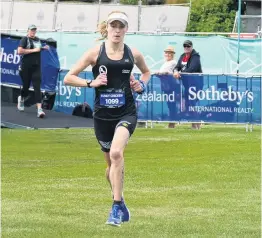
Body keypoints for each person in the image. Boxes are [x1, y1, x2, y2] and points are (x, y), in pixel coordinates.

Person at [64, 11, 151, 226]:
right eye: (114, 26)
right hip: (102, 116)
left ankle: (115, 207)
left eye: (121, 26)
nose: (117, 30)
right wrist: (90, 83)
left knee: (116, 153)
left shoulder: (133, 54)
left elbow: (147, 73)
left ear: (126, 30)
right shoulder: (95, 53)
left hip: (126, 112)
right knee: (110, 168)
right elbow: (68, 77)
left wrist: (141, 84)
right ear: (108, 28)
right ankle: (121, 203)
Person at [17, 24, 49, 118]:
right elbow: (19, 51)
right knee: (26, 88)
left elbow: (38, 49)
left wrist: (43, 48)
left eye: (34, 30)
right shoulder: (24, 39)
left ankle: (39, 110)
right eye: (31, 30)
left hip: (36, 67)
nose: (33, 32)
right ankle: (22, 98)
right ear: (28, 31)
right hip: (26, 67)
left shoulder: (37, 39)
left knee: (37, 87)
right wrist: (34, 50)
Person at [173, 40, 203, 129]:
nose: (186, 48)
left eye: (188, 46)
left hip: (195, 84)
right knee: (188, 104)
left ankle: (195, 124)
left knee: (192, 103)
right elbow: (177, 66)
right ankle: (196, 123)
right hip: (187, 84)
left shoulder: (195, 56)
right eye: (185, 46)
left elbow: (192, 69)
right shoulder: (182, 56)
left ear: (191, 47)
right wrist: (175, 71)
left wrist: (179, 74)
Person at [155, 46, 179, 128]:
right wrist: (159, 73)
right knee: (170, 105)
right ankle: (171, 122)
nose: (168, 54)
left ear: (172, 54)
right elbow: (163, 73)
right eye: (166, 53)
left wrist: (162, 73)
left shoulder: (174, 62)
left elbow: (172, 73)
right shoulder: (165, 63)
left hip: (172, 86)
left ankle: (172, 123)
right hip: (166, 86)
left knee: (172, 105)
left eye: (169, 53)